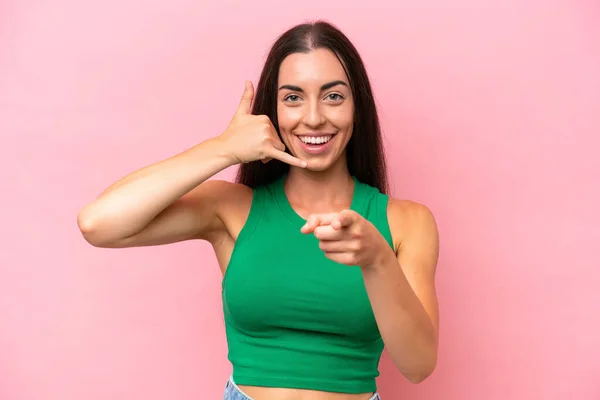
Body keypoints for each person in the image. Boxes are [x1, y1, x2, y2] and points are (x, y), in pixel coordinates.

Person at [77, 20, 440, 400]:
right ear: (272, 111)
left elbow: (418, 366)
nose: (314, 117)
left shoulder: (407, 222)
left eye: (333, 96)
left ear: (357, 107)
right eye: (293, 98)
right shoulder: (231, 209)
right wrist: (225, 148)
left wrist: (376, 259)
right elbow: (98, 223)